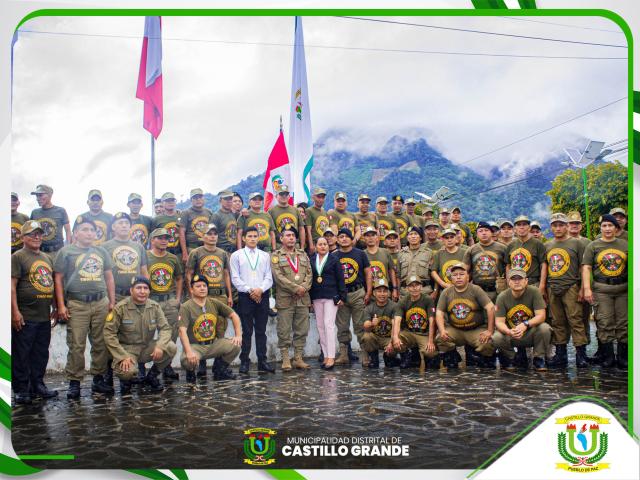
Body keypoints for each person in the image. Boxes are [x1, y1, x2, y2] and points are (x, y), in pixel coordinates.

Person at [54, 215, 115, 399]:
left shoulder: (101, 251)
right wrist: (61, 305)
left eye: (92, 230)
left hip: (100, 303)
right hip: (77, 304)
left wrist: (112, 301)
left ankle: (98, 379)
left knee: (100, 343)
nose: (89, 233)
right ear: (75, 233)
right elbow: (58, 279)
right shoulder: (66, 252)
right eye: (84, 230)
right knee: (76, 344)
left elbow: (109, 277)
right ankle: (75, 382)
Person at [103, 276, 177, 395]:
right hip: (127, 350)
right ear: (131, 290)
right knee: (127, 372)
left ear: (149, 291)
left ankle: (151, 376)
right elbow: (109, 334)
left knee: (171, 347)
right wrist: (122, 356)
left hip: (146, 348)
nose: (142, 291)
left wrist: (160, 346)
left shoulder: (154, 306)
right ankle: (126, 381)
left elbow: (165, 328)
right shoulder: (120, 308)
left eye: (145, 288)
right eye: (138, 288)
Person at [11, 220, 58, 404]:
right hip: (25, 315)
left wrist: (55, 307)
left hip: (43, 315)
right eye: (32, 234)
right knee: (22, 354)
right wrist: (14, 312)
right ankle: (21, 389)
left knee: (40, 353)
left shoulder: (46, 258)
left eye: (39, 234)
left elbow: (50, 283)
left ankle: (38, 385)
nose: (37, 237)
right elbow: (11, 286)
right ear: (23, 237)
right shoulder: (18, 256)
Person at [582, 214, 628, 369]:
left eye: (610, 225)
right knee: (604, 322)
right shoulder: (593, 246)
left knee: (624, 323)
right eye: (604, 226)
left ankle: (623, 357)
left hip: (623, 290)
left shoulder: (625, 245)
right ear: (600, 228)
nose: (607, 228)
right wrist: (587, 288)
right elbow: (586, 268)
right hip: (602, 290)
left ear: (616, 228)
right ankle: (608, 357)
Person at [178, 274, 242, 382]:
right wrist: (188, 351)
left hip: (213, 344)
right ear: (192, 290)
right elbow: (182, 331)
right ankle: (191, 374)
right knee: (186, 360)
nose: (202, 288)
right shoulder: (186, 307)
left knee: (236, 345)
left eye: (204, 286)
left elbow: (234, 315)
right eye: (198, 286)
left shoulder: (213, 302)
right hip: (196, 346)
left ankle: (219, 370)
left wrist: (238, 335)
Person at [545, 213, 588, 369]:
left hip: (571, 286)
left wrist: (583, 288)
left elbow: (584, 267)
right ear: (551, 227)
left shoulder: (577, 243)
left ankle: (581, 354)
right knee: (557, 321)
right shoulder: (547, 245)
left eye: (561, 225)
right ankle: (560, 354)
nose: (558, 228)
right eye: (555, 225)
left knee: (576, 320)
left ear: (566, 226)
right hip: (552, 287)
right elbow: (546, 267)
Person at [230, 226, 274, 374]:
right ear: (243, 238)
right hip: (245, 296)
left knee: (261, 331)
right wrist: (250, 290)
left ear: (258, 238)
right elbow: (235, 278)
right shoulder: (236, 255)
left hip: (262, 295)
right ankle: (244, 362)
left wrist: (260, 289)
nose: (253, 239)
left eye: (255, 236)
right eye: (249, 236)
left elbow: (269, 277)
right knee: (247, 331)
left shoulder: (265, 256)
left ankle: (262, 361)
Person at [463, 221, 507, 367]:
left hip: (496, 290)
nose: (483, 233)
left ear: (491, 232)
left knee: (498, 321)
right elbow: (465, 270)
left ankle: (499, 353)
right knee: (476, 320)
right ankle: (475, 353)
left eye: (486, 230)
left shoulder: (501, 248)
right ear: (477, 234)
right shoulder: (471, 250)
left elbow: (507, 268)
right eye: (480, 231)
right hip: (478, 290)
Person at [435, 263, 495, 368]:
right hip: (455, 329)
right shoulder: (446, 292)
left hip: (476, 329)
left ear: (468, 276)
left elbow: (490, 308)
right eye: (455, 275)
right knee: (441, 338)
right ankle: (452, 357)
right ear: (451, 278)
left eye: (461, 274)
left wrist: (490, 330)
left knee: (487, 342)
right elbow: (439, 312)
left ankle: (484, 359)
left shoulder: (476, 290)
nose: (458, 277)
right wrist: (442, 330)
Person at [492, 268, 550, 371]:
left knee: (545, 328)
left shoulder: (534, 292)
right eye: (513, 279)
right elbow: (499, 322)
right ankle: (511, 358)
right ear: (508, 282)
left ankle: (539, 358)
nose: (517, 282)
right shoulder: (502, 296)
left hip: (529, 332)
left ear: (526, 281)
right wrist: (509, 331)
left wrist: (525, 324)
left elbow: (541, 316)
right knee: (496, 337)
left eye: (520, 278)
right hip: (511, 334)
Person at [271, 226, 313, 370]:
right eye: (287, 235)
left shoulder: (303, 254)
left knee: (302, 329)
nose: (291, 238)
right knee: (284, 330)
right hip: (285, 299)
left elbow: (309, 274)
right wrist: (296, 288)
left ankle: (298, 358)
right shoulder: (276, 256)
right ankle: (285, 359)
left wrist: (303, 288)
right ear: (281, 238)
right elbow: (278, 276)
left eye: (293, 236)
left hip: (303, 298)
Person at [146, 228, 183, 380]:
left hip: (169, 301)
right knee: (146, 334)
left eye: (166, 238)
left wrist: (177, 298)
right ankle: (141, 368)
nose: (164, 241)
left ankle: (165, 367)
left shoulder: (173, 258)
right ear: (152, 240)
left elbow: (179, 278)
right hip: (150, 301)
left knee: (171, 335)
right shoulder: (145, 257)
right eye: (160, 238)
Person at [333, 228, 373, 366]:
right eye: (341, 236)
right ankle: (344, 354)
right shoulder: (333, 256)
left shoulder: (360, 253)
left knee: (360, 325)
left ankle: (365, 354)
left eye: (347, 236)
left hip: (358, 293)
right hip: (341, 295)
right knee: (342, 326)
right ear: (337, 240)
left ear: (352, 239)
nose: (344, 239)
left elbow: (368, 273)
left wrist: (368, 292)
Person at [310, 236, 347, 370]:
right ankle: (325, 355)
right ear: (316, 246)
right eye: (320, 244)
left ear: (328, 246)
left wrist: (342, 296)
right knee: (320, 326)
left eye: (325, 244)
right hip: (316, 296)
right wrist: (310, 298)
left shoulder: (334, 259)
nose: (323, 246)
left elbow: (340, 279)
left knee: (329, 325)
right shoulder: (311, 259)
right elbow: (310, 279)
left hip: (331, 296)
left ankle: (331, 356)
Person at [102, 212, 149, 303]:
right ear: (113, 227)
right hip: (114, 295)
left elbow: (144, 272)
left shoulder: (139, 247)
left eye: (127, 223)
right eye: (120, 223)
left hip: (136, 295)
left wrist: (146, 291)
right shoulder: (104, 247)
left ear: (130, 227)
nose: (124, 226)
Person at [396, 275, 438, 369]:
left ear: (421, 286)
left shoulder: (428, 300)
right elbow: (397, 321)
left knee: (430, 353)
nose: (414, 288)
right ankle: (407, 355)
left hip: (424, 334)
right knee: (397, 340)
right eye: (411, 286)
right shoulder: (403, 301)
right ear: (407, 288)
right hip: (409, 333)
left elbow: (432, 321)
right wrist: (395, 337)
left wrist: (431, 341)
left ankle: (429, 359)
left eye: (417, 285)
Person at [362, 278, 402, 368]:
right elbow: (365, 326)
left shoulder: (395, 306)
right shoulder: (369, 308)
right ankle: (374, 359)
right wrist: (372, 324)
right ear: (374, 293)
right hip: (376, 338)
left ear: (389, 293)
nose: (382, 294)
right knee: (366, 336)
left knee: (396, 344)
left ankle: (389, 358)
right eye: (379, 291)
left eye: (384, 291)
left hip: (389, 338)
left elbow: (395, 325)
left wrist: (391, 342)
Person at [567, 211, 592, 345]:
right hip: (567, 284)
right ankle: (562, 348)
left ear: (581, 226)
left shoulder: (588, 243)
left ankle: (584, 345)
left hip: (583, 283)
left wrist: (586, 287)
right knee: (566, 318)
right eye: (571, 223)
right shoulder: (561, 242)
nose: (574, 226)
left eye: (577, 223)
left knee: (584, 316)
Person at [505, 215, 547, 291]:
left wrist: (542, 285)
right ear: (515, 229)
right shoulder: (511, 245)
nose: (522, 227)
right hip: (515, 284)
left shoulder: (537, 244)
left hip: (533, 284)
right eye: (519, 225)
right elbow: (508, 265)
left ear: (529, 228)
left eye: (524, 224)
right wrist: (509, 282)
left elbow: (543, 265)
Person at [30, 184, 71, 256]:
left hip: (58, 252)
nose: (38, 198)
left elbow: (68, 231)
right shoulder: (34, 212)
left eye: (41, 195)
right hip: (40, 253)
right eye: (37, 196)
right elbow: (31, 232)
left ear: (50, 195)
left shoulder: (61, 211)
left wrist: (67, 247)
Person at [362, 226, 398, 301]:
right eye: (367, 236)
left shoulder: (385, 252)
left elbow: (391, 271)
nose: (370, 238)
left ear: (377, 237)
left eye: (373, 235)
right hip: (369, 292)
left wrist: (395, 289)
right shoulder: (361, 254)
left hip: (385, 290)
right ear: (364, 238)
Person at [179, 188, 214, 263]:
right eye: (195, 198)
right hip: (192, 248)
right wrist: (184, 253)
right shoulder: (186, 213)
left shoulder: (208, 212)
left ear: (204, 199)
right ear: (191, 200)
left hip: (206, 247)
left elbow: (212, 232)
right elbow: (181, 233)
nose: (198, 200)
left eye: (200, 197)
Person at [397, 226, 433, 298]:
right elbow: (398, 275)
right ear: (407, 238)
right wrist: (397, 291)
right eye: (410, 234)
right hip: (405, 292)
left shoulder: (428, 253)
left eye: (416, 234)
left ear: (420, 238)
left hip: (424, 292)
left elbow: (433, 273)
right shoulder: (401, 253)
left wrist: (435, 291)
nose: (413, 236)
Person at [268, 185, 306, 249]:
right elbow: (270, 232)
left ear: (289, 196)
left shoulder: (295, 210)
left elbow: (301, 229)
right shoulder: (271, 211)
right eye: (281, 194)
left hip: (295, 246)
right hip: (279, 247)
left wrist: (302, 247)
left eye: (286, 194)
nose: (284, 196)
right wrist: (274, 248)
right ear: (276, 196)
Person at [431, 228, 467, 294]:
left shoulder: (465, 253)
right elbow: (433, 271)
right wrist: (443, 284)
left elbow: (470, 270)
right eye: (446, 238)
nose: (449, 240)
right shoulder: (438, 254)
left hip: (463, 290)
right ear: (442, 240)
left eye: (452, 237)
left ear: (456, 238)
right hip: (444, 291)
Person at [151, 192, 182, 258]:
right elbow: (153, 238)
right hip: (163, 253)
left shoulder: (181, 215)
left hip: (179, 252)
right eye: (167, 201)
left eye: (172, 200)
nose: (170, 203)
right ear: (163, 203)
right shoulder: (156, 219)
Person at [304, 187, 330, 253]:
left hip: (324, 244)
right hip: (315, 244)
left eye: (323, 197)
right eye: (318, 197)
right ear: (313, 197)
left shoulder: (325, 212)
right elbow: (308, 230)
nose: (321, 199)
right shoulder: (309, 211)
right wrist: (311, 245)